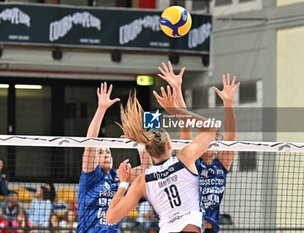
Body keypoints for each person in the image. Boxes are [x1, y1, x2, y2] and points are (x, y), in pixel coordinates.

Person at [106, 85, 217, 233]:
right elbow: (210, 127)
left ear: (147, 149)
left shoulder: (143, 180)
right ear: (170, 144)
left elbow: (111, 218)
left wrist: (124, 183)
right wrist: (175, 110)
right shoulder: (184, 159)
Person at [157, 61, 239, 233]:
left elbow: (231, 136)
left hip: (211, 229)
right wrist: (177, 88)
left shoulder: (221, 165)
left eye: (215, 144)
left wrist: (228, 103)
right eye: (209, 142)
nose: (212, 147)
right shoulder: (191, 163)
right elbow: (185, 125)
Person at [77, 82, 152, 233]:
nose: (106, 154)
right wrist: (101, 109)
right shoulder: (91, 176)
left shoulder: (118, 176)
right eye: (101, 152)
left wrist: (139, 143)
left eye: (108, 152)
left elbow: (147, 169)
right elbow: (90, 144)